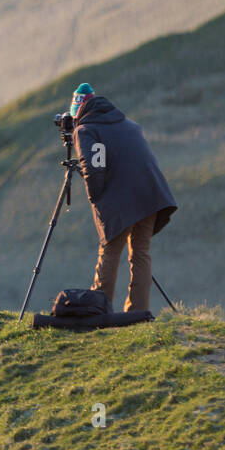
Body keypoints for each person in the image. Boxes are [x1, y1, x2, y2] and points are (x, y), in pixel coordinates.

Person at [69, 83, 177, 311]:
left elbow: (94, 167)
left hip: (123, 200)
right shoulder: (128, 124)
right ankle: (138, 312)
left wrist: (96, 198)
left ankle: (98, 309)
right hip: (151, 195)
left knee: (109, 250)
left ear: (78, 109)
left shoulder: (86, 130)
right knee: (140, 253)